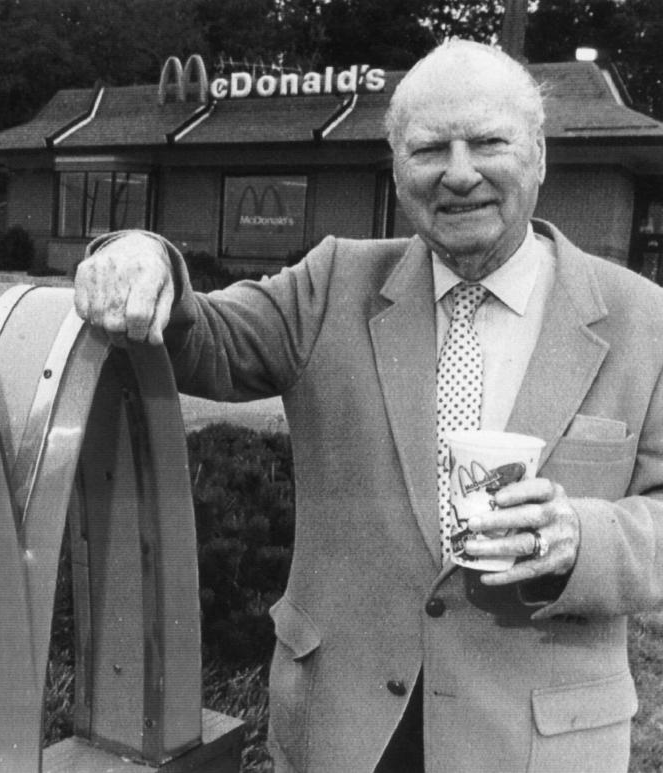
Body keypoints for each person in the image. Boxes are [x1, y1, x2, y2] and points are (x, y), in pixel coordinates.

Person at [73, 39, 663, 772]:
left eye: (488, 142)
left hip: (539, 739)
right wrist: (145, 256)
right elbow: (205, 337)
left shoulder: (644, 318)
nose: (459, 172)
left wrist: (586, 536)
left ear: (538, 155)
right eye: (428, 149)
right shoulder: (333, 284)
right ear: (395, 167)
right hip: (346, 730)